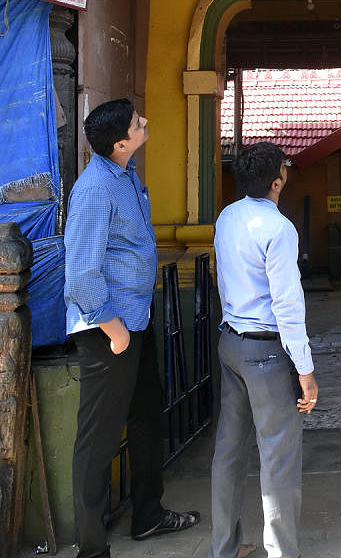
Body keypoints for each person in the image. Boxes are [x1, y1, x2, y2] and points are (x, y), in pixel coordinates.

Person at [64, 99, 199, 557]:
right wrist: (116, 330)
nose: (146, 124)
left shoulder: (126, 173)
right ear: (121, 143)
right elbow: (81, 272)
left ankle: (148, 515)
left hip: (135, 320)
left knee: (146, 417)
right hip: (108, 330)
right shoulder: (94, 189)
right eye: (138, 124)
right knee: (98, 441)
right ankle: (91, 548)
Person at [210, 142, 318, 558]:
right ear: (277, 181)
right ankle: (282, 553)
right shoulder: (280, 229)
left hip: (231, 342)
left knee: (228, 451)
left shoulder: (227, 216)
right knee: (279, 458)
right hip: (265, 351)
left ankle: (224, 548)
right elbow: (287, 304)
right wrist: (305, 370)